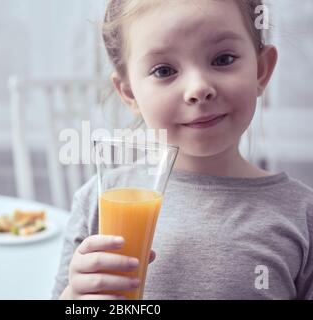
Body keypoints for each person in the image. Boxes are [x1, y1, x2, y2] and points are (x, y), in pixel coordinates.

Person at [52, 0, 313, 299]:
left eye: (223, 59)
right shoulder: (98, 202)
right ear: (129, 93)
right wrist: (74, 299)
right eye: (164, 70)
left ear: (261, 70)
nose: (198, 88)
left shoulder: (302, 216)